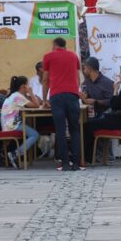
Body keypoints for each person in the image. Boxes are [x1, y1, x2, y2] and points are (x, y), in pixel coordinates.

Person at [83, 65, 121, 161]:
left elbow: (114, 105)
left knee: (87, 125)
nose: (119, 75)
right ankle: (92, 157)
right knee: (94, 122)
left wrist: (115, 89)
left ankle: (87, 158)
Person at [42, 37, 82, 171]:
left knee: (60, 130)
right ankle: (76, 163)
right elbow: (78, 78)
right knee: (74, 129)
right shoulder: (74, 56)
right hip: (72, 95)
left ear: (54, 45)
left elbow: (45, 80)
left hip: (56, 96)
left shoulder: (48, 57)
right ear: (65, 45)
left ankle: (64, 163)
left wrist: (44, 99)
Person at [1, 76, 41, 168]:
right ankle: (15, 153)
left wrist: (29, 95)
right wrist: (30, 92)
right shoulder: (17, 96)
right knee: (35, 135)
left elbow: (33, 104)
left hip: (9, 123)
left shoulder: (15, 95)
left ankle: (16, 154)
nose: (29, 86)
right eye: (28, 84)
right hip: (12, 125)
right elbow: (36, 105)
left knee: (30, 129)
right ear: (24, 86)